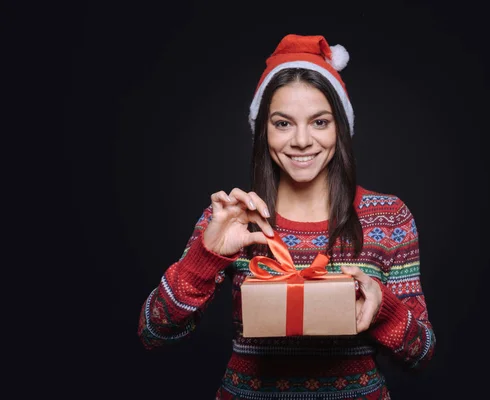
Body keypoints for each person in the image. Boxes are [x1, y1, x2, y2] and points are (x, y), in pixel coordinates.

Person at [137, 33, 436, 400]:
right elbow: (154, 332)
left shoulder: (388, 218)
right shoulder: (234, 217)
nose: (301, 141)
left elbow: (421, 355)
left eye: (319, 122)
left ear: (341, 127)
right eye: (283, 124)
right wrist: (206, 255)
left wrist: (384, 309)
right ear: (262, 130)